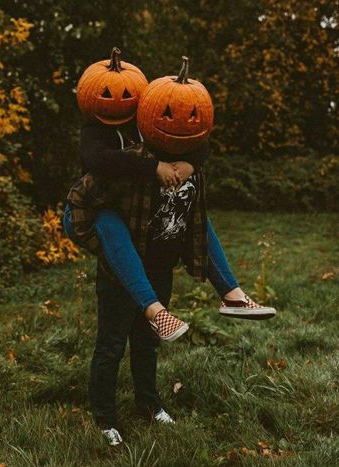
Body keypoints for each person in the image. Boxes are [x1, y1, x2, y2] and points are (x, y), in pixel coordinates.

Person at [63, 117, 276, 445]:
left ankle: (149, 404)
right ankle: (105, 419)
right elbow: (89, 178)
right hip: (121, 272)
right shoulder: (128, 163)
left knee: (148, 343)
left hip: (159, 263)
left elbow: (200, 143)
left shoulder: (184, 153)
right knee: (112, 344)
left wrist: (189, 163)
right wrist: (150, 168)